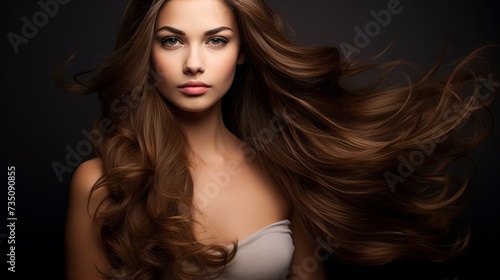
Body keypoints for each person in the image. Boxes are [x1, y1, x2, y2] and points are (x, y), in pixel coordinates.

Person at [55, 0, 498, 279]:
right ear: (147, 54)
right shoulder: (101, 183)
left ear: (242, 51)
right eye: (172, 42)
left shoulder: (280, 170)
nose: (194, 63)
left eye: (216, 41)